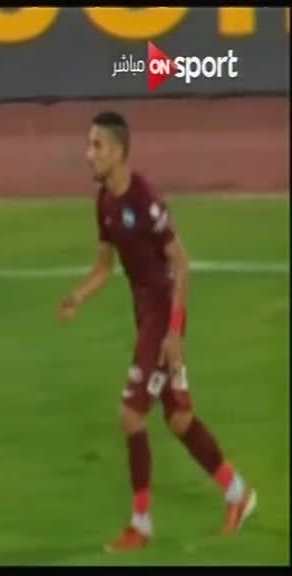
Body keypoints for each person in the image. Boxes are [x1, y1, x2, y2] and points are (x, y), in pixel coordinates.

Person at [58, 111, 257, 552]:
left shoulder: (145, 199)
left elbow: (181, 264)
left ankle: (141, 524)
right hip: (145, 316)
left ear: (119, 151)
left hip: (162, 318)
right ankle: (238, 493)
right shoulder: (104, 203)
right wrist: (78, 296)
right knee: (179, 419)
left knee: (130, 415)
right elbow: (104, 267)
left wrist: (174, 334)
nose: (88, 154)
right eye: (89, 145)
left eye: (97, 145)